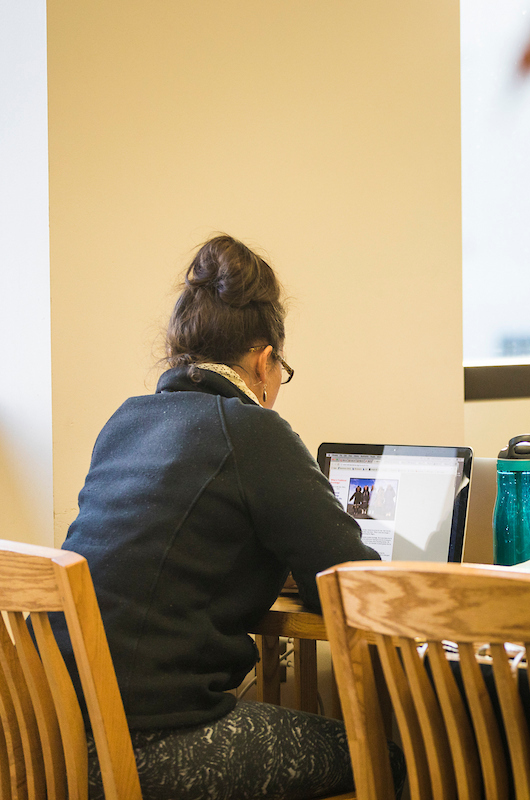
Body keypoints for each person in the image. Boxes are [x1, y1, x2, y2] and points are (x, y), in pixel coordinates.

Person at [51, 235, 403, 800]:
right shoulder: (249, 429)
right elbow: (350, 581)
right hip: (149, 749)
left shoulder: (126, 421)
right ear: (265, 362)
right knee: (392, 759)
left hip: (56, 737)